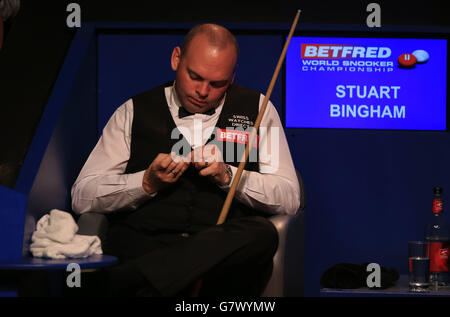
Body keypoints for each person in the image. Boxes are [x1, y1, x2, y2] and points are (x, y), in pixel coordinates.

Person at [71, 23, 300, 296]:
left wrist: (228, 177)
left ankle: (128, 284)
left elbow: (289, 198)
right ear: (176, 59)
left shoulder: (259, 109)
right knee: (125, 240)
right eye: (195, 77)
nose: (202, 91)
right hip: (147, 243)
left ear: (232, 77)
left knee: (262, 234)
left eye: (217, 84)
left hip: (222, 258)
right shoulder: (133, 111)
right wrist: (145, 182)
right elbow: (82, 195)